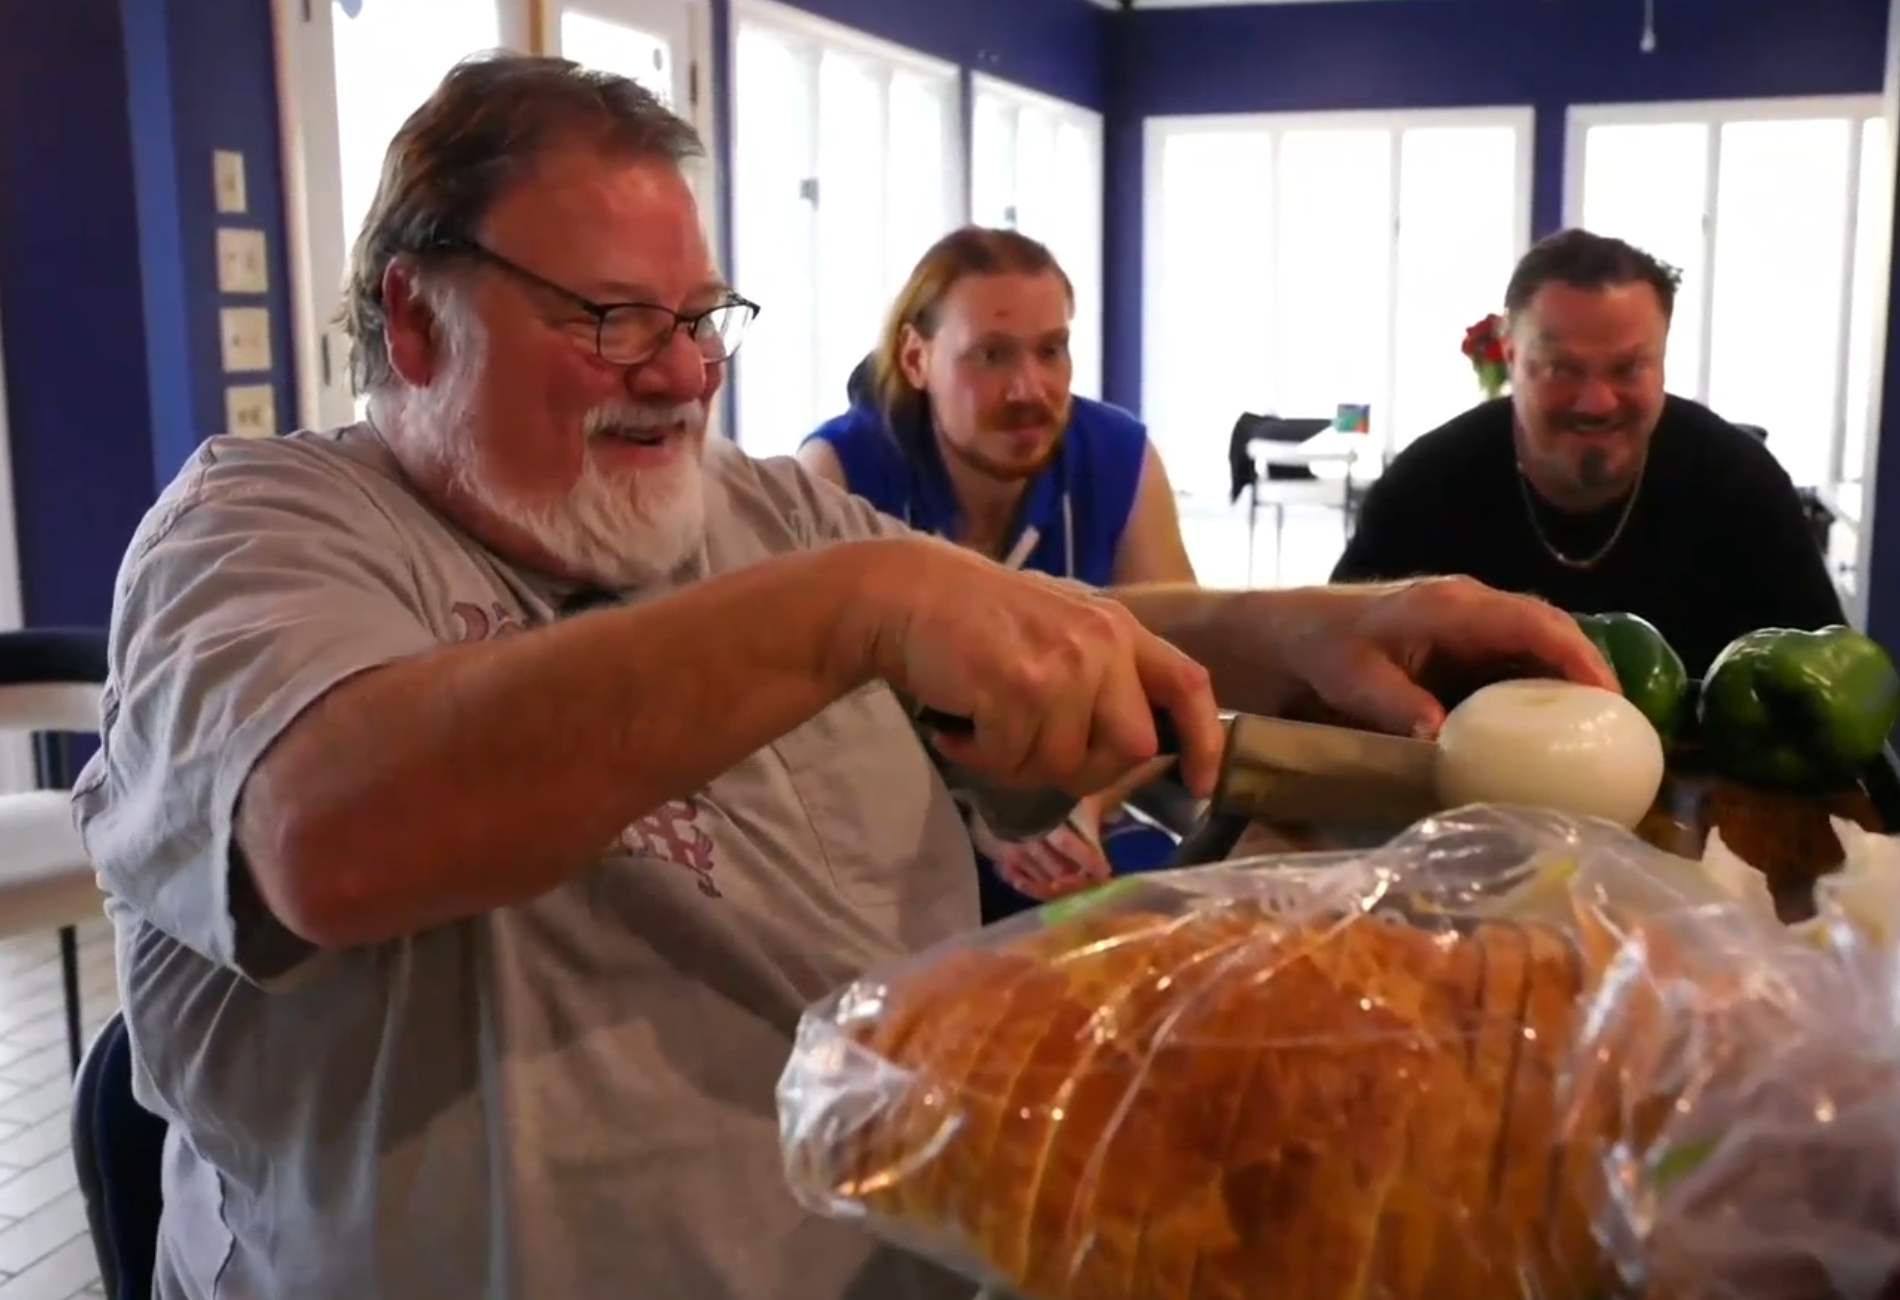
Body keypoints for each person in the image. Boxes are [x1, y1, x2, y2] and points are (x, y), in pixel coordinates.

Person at [73, 53, 1614, 1300]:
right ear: (418, 318)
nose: (684, 371)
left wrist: (1307, 629)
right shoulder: (262, 533)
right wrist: (857, 605)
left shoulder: (765, 515)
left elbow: (1021, 623)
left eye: (699, 321)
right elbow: (327, 835)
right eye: (615, 320)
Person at [798, 227, 1193, 916]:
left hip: (1075, 808)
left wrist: (1079, 806)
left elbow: (1174, 686)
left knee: (1176, 926)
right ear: (916, 358)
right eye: (992, 355)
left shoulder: (1119, 458)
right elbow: (811, 735)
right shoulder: (837, 474)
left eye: (1051, 350)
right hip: (892, 829)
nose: (1029, 388)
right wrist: (983, 817)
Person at [1332, 228, 1846, 679]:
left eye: (1628, 369)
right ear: (1510, 354)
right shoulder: (1425, 487)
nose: (1596, 402)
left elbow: (1830, 682)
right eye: (1561, 369)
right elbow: (1337, 668)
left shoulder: (1741, 485)